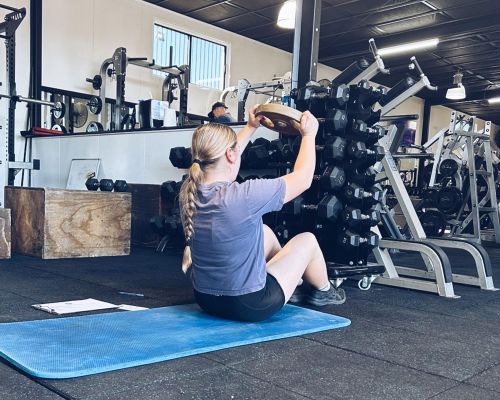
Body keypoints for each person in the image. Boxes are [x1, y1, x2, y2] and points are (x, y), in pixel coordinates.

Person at [179, 105, 345, 323]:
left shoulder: (190, 191)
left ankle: (294, 285)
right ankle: (324, 291)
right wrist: (309, 135)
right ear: (230, 154)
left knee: (264, 232)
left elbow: (227, 154)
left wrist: (251, 127)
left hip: (206, 299)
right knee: (308, 241)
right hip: (249, 305)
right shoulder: (244, 195)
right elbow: (303, 179)